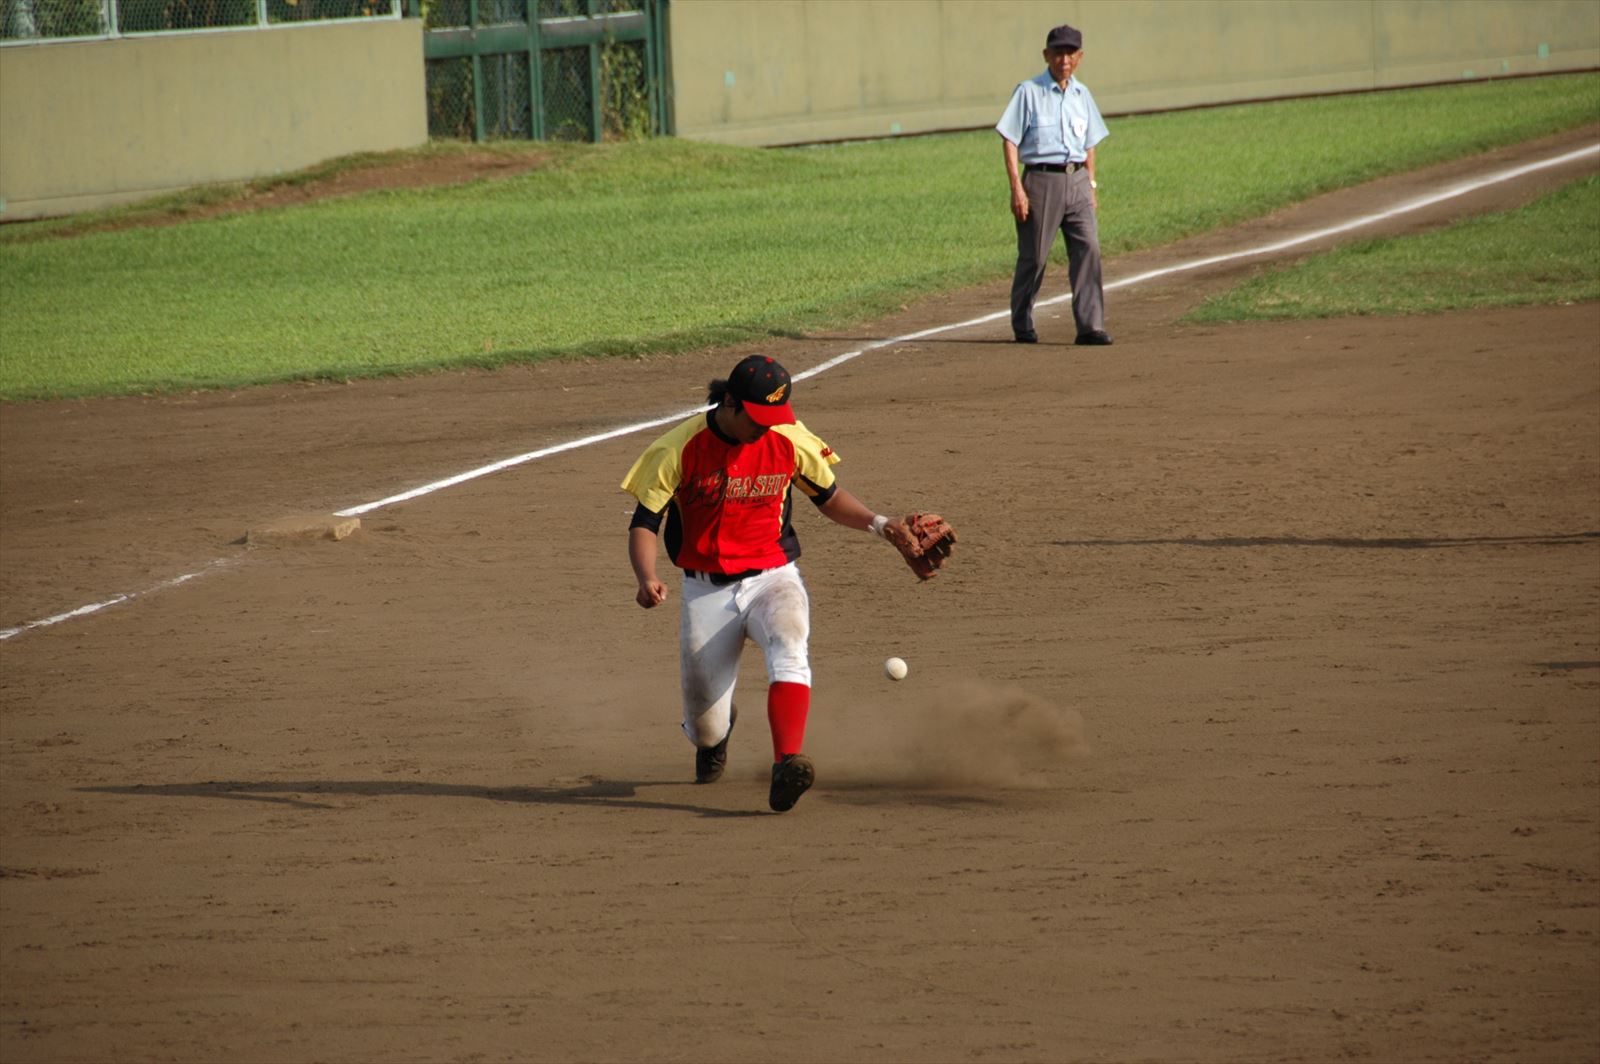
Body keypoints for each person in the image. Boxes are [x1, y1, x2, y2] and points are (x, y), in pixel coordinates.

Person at [621, 355, 936, 813]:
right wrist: (646, 577)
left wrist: (881, 525)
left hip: (773, 577)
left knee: (790, 642)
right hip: (706, 591)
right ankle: (716, 737)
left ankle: (787, 762)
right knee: (706, 729)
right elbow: (645, 523)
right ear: (730, 402)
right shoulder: (677, 449)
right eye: (757, 418)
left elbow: (829, 497)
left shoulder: (788, 437)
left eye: (773, 417)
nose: (766, 428)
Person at [996, 22, 1113, 347]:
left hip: (1077, 181)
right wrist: (1016, 188)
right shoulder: (1029, 92)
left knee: (1089, 248)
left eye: (1070, 53)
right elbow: (1009, 139)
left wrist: (1091, 184)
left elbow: (1090, 142)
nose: (1064, 60)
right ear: (1046, 55)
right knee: (1034, 257)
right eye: (1058, 53)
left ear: (1080, 57)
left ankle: (1090, 326)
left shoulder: (1082, 94)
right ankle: (1023, 323)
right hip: (1041, 181)